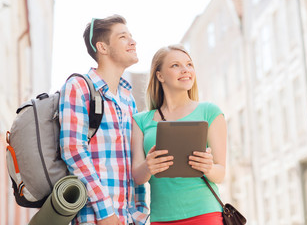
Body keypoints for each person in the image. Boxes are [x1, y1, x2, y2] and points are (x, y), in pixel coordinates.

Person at [59, 15, 149, 225]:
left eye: (131, 36)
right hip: (96, 218)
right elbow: (73, 150)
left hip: (130, 218)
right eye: (123, 37)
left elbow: (135, 157)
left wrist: (141, 213)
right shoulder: (79, 87)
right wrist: (105, 212)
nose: (133, 42)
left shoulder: (128, 98)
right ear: (102, 47)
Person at [131, 44, 227, 224]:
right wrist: (148, 166)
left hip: (205, 214)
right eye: (175, 65)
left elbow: (220, 173)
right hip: (162, 218)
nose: (185, 70)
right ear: (159, 75)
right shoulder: (140, 120)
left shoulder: (210, 112)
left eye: (189, 64)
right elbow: (137, 177)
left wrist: (208, 168)